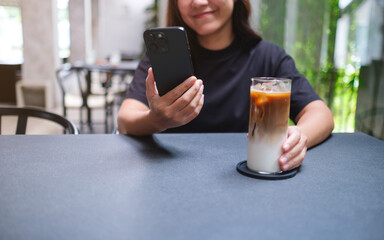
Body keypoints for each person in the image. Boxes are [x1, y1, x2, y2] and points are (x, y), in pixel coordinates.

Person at [118, 0, 334, 171]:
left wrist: (299, 137)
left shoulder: (268, 57)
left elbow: (319, 113)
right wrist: (155, 120)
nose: (199, 2)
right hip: (169, 180)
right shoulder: (163, 58)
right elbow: (125, 120)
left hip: (243, 183)